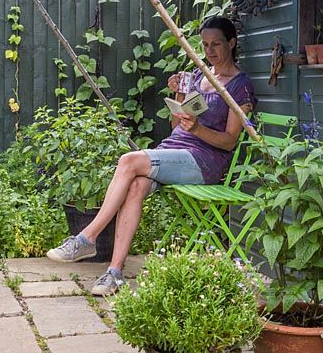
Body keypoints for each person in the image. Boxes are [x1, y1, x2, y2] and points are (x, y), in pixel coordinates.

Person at [45, 16, 257, 296]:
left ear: (231, 43)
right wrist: (180, 98)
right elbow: (175, 126)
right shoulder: (197, 76)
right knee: (135, 184)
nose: (209, 51)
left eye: (216, 44)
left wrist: (199, 128)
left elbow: (229, 142)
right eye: (205, 45)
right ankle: (114, 274)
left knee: (128, 160)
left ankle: (88, 237)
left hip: (204, 162)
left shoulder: (239, 86)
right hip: (174, 151)